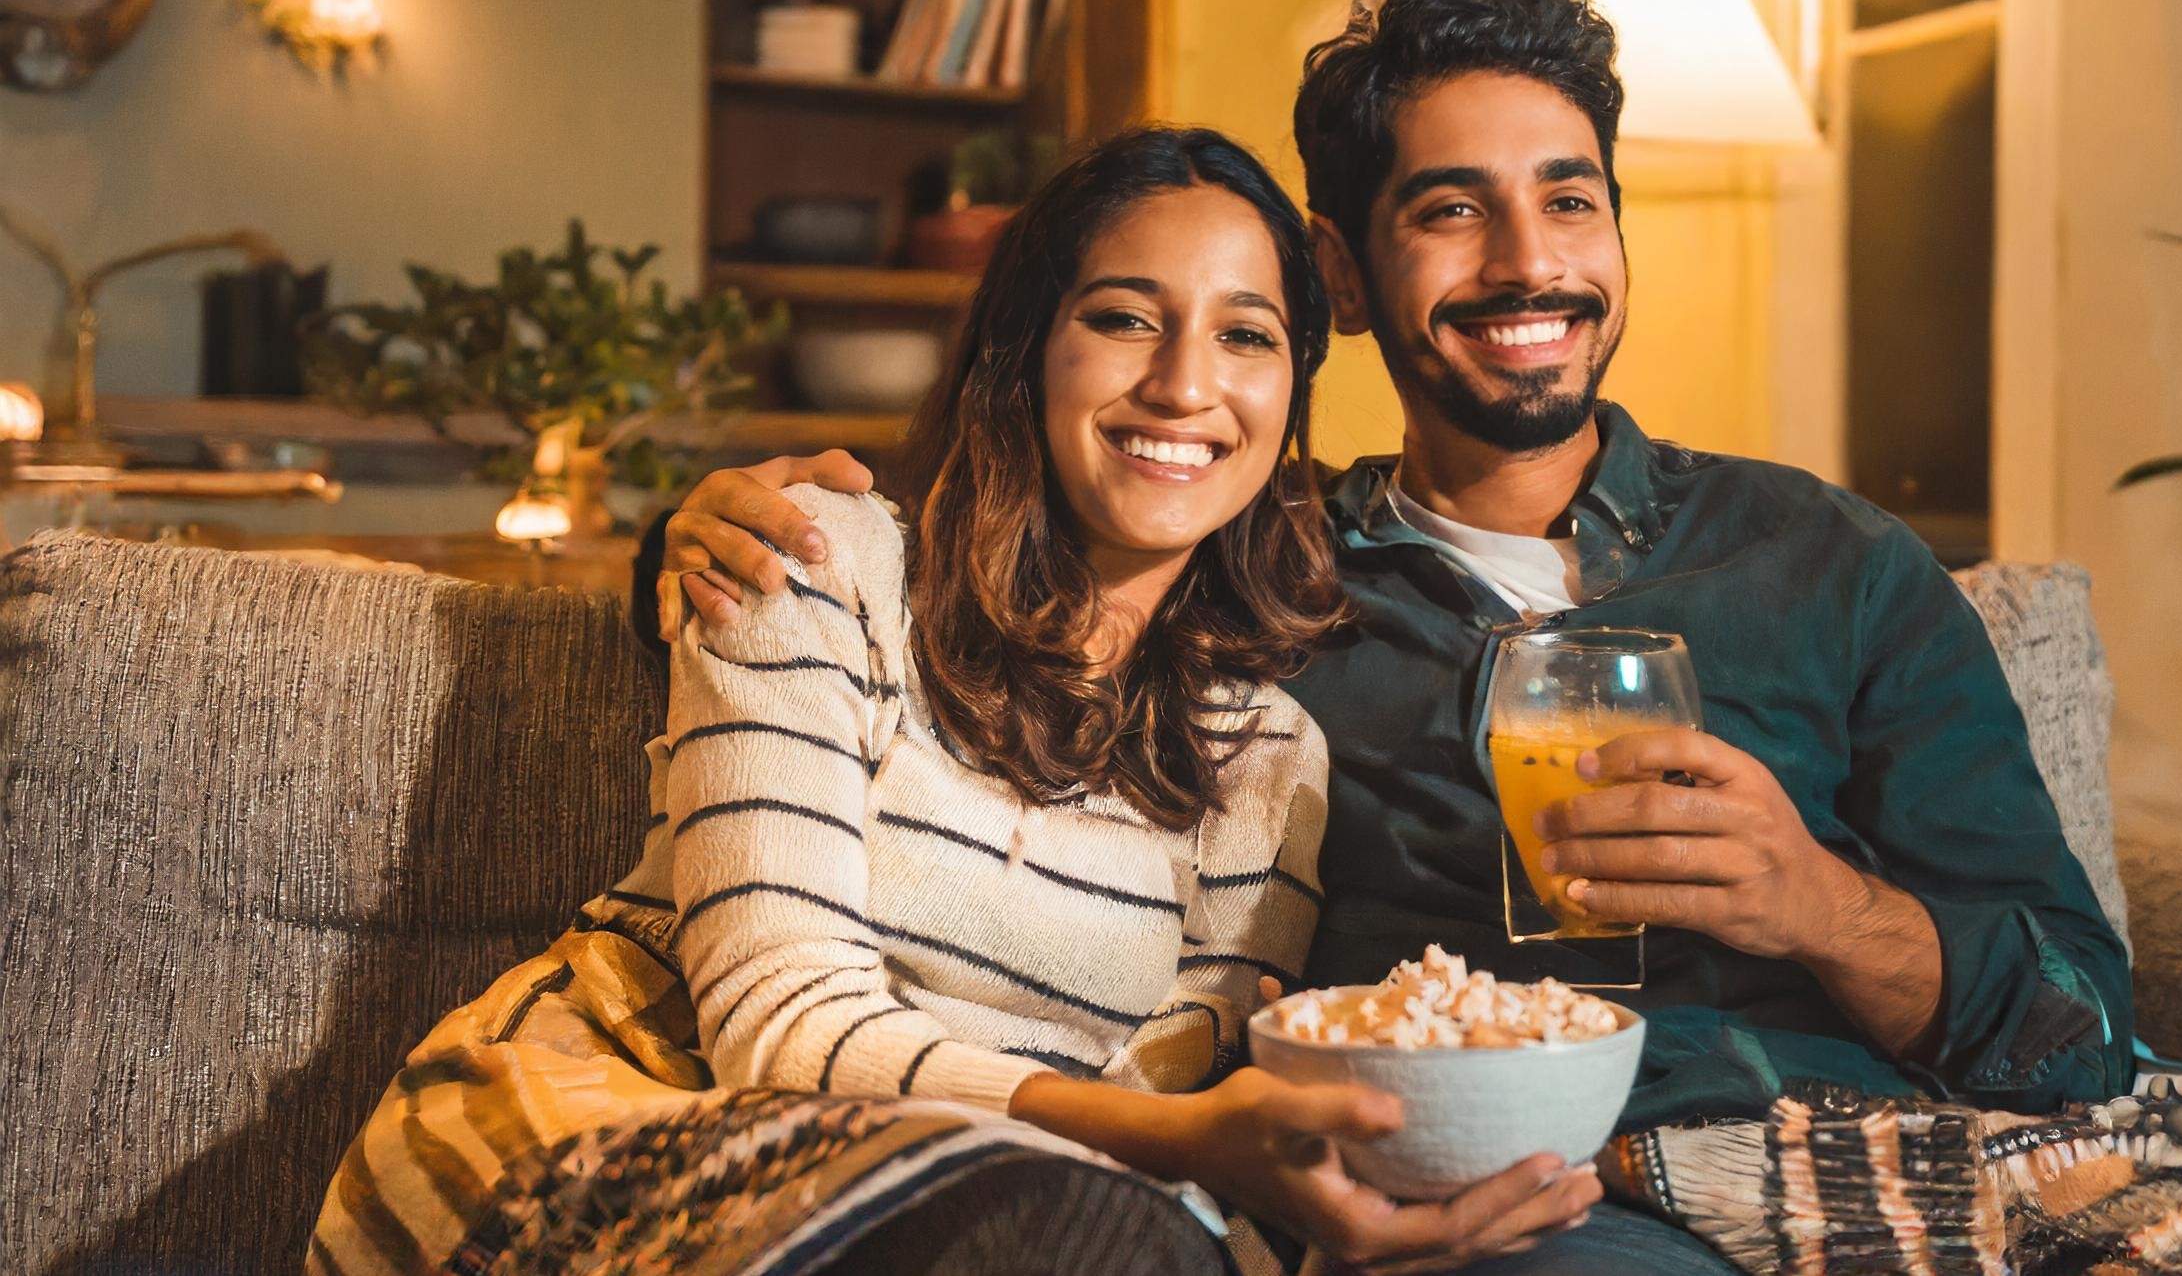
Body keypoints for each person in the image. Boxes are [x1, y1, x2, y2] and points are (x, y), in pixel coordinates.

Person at [649, 0, 2133, 1275]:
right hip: (1545, 1212)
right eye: (1451, 210)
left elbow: (2086, 1032)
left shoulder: (1834, 561)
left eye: (1568, 196)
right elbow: (1002, 576)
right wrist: (688, 537)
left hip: (1884, 1161)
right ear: (1345, 276)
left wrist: (1818, 901)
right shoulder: (1259, 580)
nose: (1528, 262)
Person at [312, 126, 1600, 1276]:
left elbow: (1159, 1112)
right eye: (1123, 317)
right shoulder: (818, 560)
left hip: (1010, 1213)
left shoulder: (1269, 756)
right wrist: (1178, 1153)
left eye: (1247, 335)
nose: (1183, 385)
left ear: (1290, 397)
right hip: (621, 1131)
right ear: (1025, 347)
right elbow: (782, 1026)